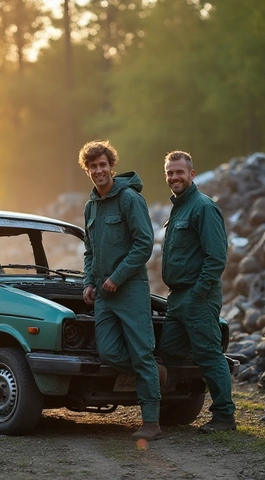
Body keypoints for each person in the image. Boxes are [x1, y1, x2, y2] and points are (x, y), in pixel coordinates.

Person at [79, 140, 164, 441]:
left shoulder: (129, 199)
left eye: (103, 165)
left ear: (111, 166)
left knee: (142, 353)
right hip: (103, 293)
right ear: (87, 170)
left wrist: (117, 277)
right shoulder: (90, 206)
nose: (99, 170)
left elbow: (144, 244)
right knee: (109, 352)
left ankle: (151, 422)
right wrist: (88, 282)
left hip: (130, 289)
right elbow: (89, 251)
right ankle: (155, 374)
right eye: (93, 166)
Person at [159, 150, 236, 433]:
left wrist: (198, 293)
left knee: (208, 354)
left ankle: (224, 416)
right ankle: (173, 408)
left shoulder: (203, 207)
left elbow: (216, 257)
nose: (174, 177)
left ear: (191, 174)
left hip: (197, 296)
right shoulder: (179, 207)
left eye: (179, 172)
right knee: (168, 351)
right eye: (169, 172)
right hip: (178, 297)